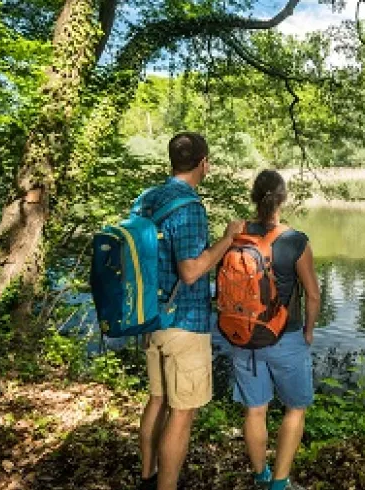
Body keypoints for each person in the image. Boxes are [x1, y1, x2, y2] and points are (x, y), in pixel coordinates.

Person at [137, 132, 244, 490]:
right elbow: (192, 269)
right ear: (203, 163)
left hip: (151, 317)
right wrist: (228, 238)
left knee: (157, 400)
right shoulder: (188, 206)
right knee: (181, 414)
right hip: (184, 322)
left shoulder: (148, 199)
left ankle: (147, 477)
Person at [230, 170, 321, 490]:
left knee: (255, 410)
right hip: (286, 336)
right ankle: (280, 484)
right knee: (296, 408)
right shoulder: (295, 241)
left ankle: (261, 476)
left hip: (243, 336)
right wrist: (308, 332)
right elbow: (312, 294)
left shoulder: (236, 234)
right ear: (283, 199)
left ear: (254, 197)